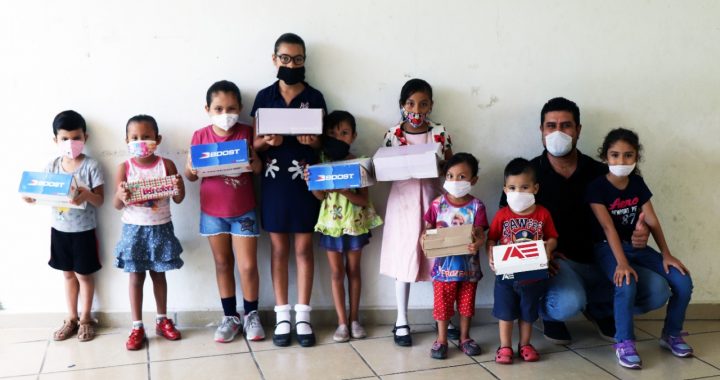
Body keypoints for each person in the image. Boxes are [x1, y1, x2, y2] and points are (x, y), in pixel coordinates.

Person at [504, 97, 669, 344]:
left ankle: (601, 309)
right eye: (551, 126)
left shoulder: (602, 173)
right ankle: (551, 316)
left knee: (657, 290)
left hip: (605, 259)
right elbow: (509, 227)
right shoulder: (526, 176)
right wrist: (537, 258)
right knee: (567, 302)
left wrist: (640, 231)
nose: (558, 132)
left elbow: (629, 214)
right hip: (558, 265)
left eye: (566, 125)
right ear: (541, 131)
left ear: (578, 130)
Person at [587, 128, 693, 369]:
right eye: (614, 155)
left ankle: (672, 333)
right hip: (607, 248)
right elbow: (607, 228)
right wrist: (622, 262)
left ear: (636, 158)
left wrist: (666, 253)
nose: (621, 161)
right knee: (626, 281)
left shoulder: (637, 183)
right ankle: (624, 341)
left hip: (637, 247)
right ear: (605, 157)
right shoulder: (596, 188)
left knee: (682, 279)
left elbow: (652, 219)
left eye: (628, 155)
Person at [251, 32, 327, 347]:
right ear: (274, 59)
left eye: (297, 59)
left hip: (305, 183)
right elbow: (252, 145)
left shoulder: (316, 97)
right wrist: (264, 142)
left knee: (304, 250)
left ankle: (304, 316)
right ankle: (282, 315)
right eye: (285, 58)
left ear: (304, 61)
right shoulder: (263, 97)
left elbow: (325, 141)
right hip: (272, 183)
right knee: (279, 250)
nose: (291, 64)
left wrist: (315, 141)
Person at [185, 80, 264, 343]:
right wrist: (190, 168)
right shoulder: (200, 136)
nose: (225, 114)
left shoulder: (247, 132)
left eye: (231, 108)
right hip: (212, 212)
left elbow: (258, 170)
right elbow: (191, 176)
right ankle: (230, 316)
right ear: (207, 108)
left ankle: (252, 314)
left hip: (244, 211)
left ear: (240, 107)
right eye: (218, 108)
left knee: (248, 266)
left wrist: (254, 159)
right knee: (222, 264)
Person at [379, 78, 454, 346]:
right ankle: (401, 320)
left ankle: (442, 316)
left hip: (433, 201)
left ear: (431, 105)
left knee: (438, 260)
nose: (417, 108)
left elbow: (450, 166)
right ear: (402, 105)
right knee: (404, 258)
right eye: (411, 103)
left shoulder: (439, 132)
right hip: (403, 202)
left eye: (423, 103)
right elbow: (383, 169)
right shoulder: (392, 134)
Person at [23, 110, 105, 342]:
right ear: (55, 140)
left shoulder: (91, 166)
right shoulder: (52, 166)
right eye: (65, 138)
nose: (71, 143)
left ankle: (87, 318)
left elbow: (100, 200)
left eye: (76, 137)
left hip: (84, 232)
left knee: (84, 275)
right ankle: (71, 318)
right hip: (59, 230)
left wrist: (87, 194)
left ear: (85, 138)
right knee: (67, 275)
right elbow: (41, 193)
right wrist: (31, 197)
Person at [309, 111, 383, 342]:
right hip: (331, 225)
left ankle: (354, 319)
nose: (338, 137)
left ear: (353, 135)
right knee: (336, 273)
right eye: (332, 133)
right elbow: (319, 196)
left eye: (344, 133)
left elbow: (363, 199)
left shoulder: (359, 162)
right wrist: (310, 180)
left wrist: (344, 191)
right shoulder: (321, 162)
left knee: (353, 271)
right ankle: (341, 323)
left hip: (354, 225)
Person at [113, 115, 185, 350]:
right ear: (126, 140)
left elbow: (179, 198)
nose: (140, 141)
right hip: (134, 230)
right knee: (136, 277)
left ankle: (162, 320)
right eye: (134, 138)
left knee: (159, 274)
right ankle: (136, 326)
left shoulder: (168, 165)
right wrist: (121, 196)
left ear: (157, 139)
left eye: (146, 137)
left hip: (161, 227)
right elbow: (116, 204)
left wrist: (179, 185)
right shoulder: (124, 168)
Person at [488, 158, 558, 364]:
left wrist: (549, 247)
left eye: (524, 187)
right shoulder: (502, 215)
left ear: (535, 188)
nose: (518, 192)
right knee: (506, 313)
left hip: (533, 277)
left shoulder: (543, 214)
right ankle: (505, 346)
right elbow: (491, 238)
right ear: (505, 189)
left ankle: (525, 344)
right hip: (506, 276)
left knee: (528, 313)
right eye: (512, 187)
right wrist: (490, 254)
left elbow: (553, 237)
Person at [423, 153, 487, 359]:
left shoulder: (477, 206)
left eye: (462, 176)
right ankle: (441, 340)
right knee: (442, 306)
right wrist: (423, 240)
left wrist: (478, 242)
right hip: (443, 270)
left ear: (473, 180)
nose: (454, 181)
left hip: (469, 269)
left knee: (467, 306)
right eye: (450, 176)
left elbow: (480, 234)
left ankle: (465, 338)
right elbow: (426, 231)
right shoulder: (437, 205)